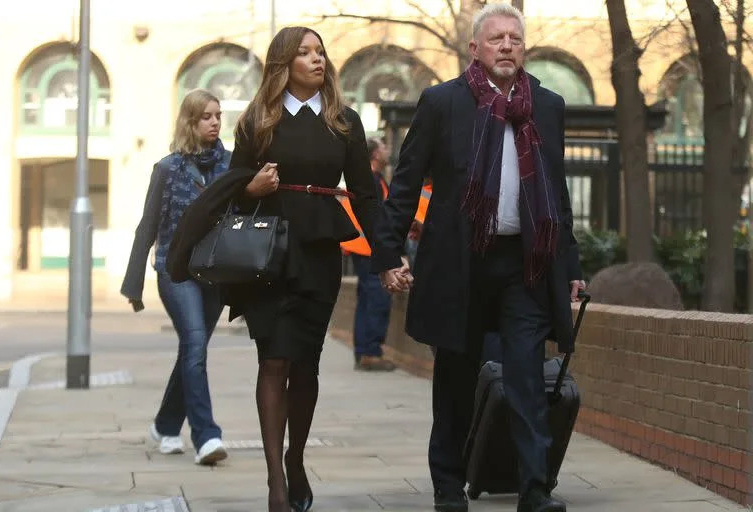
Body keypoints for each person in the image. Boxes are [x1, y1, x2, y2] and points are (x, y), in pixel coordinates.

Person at [371, 4, 586, 512]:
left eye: (514, 37)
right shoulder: (442, 103)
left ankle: (534, 488)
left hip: (526, 265)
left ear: (524, 47)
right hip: (460, 264)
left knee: (527, 377)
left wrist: (571, 268)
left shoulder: (549, 105)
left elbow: (556, 193)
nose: (507, 45)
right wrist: (388, 255)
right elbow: (403, 187)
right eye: (496, 39)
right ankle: (448, 486)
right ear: (475, 49)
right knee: (455, 377)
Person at [164, 27, 377, 512]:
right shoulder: (257, 121)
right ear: (284, 64)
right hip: (266, 258)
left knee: (305, 366)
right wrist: (251, 189)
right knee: (272, 361)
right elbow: (235, 185)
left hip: (320, 253)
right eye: (304, 53)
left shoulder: (344, 121)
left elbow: (365, 197)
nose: (316, 59)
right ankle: (276, 484)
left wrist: (387, 257)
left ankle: (295, 457)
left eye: (320, 51)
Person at [121, 89, 231, 465]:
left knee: (192, 350)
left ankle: (166, 426)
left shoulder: (231, 166)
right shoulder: (167, 169)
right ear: (190, 122)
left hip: (215, 272)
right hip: (175, 270)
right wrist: (134, 284)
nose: (215, 122)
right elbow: (147, 228)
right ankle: (206, 436)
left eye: (218, 115)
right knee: (196, 343)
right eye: (206, 116)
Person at [339, 137, 396, 371]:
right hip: (368, 248)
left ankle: (363, 351)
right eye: (384, 147)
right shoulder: (371, 181)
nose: (388, 149)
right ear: (374, 154)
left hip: (362, 247)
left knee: (366, 298)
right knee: (376, 298)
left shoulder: (375, 180)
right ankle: (370, 352)